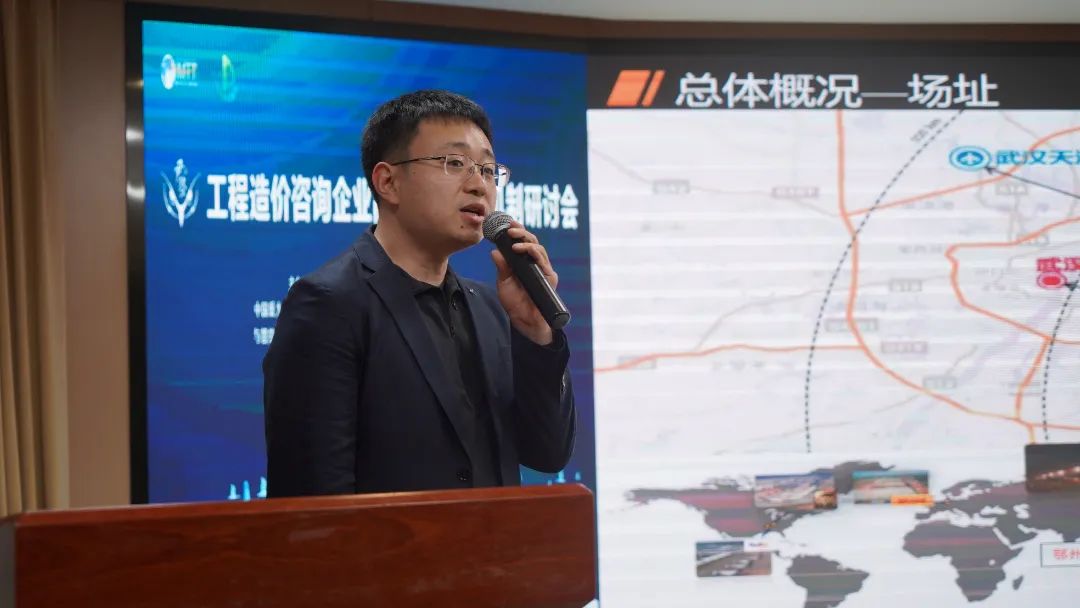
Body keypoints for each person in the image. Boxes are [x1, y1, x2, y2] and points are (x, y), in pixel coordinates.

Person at [263, 90, 576, 497]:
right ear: (388, 182)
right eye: (455, 163)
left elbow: (548, 453)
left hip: (494, 540)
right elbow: (314, 499)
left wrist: (535, 332)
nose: (479, 185)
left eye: (487, 169)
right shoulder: (329, 304)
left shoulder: (492, 308)